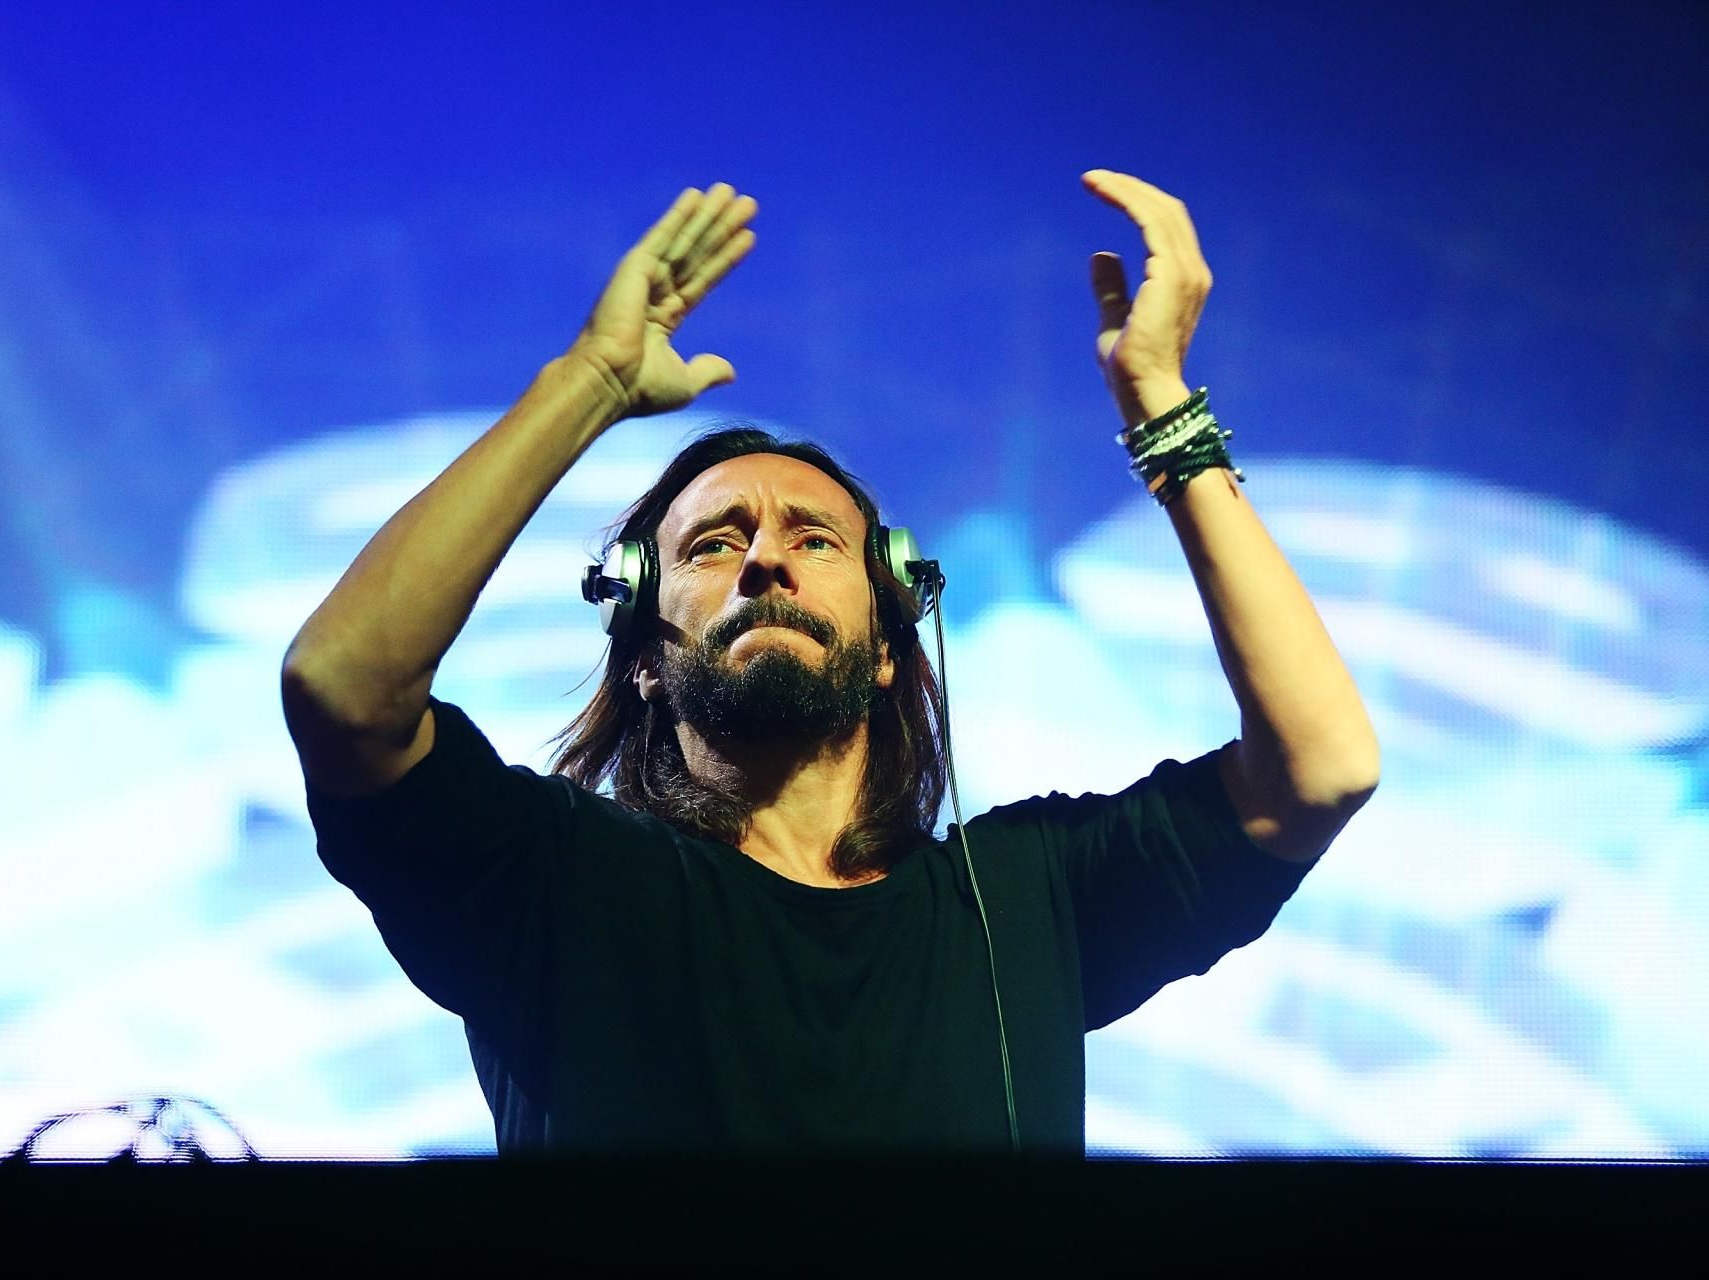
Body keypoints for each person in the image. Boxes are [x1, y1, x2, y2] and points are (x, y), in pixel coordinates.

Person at [279, 177, 1380, 1153]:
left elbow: (1320, 766)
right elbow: (344, 686)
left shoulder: (1026, 896)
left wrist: (1165, 414)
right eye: (713, 544)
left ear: (893, 642)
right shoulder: (547, 880)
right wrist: (591, 382)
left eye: (813, 539)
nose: (765, 557)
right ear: (645, 656)